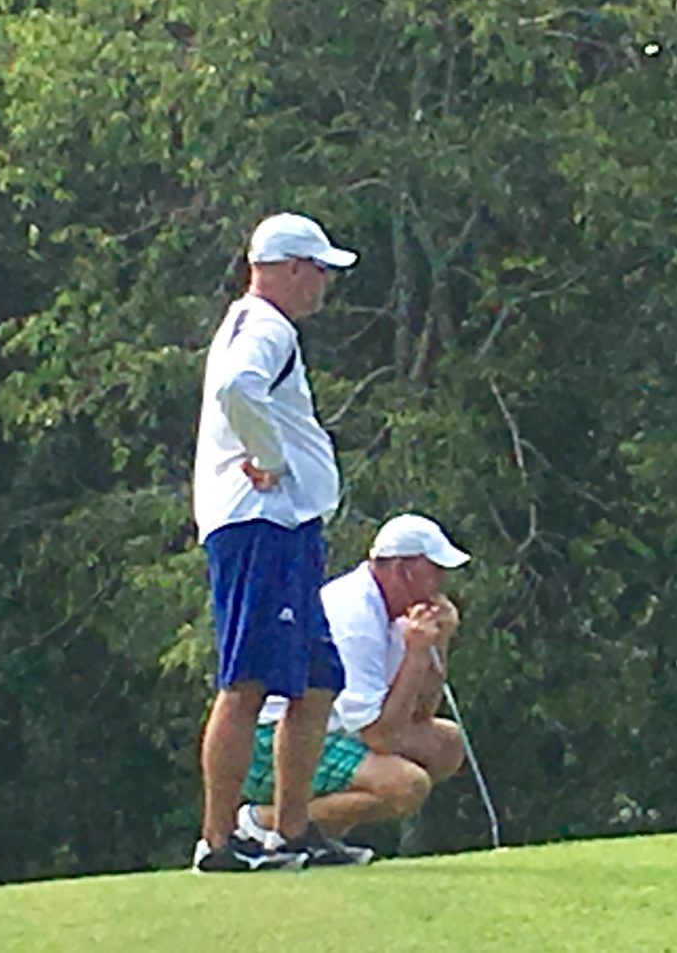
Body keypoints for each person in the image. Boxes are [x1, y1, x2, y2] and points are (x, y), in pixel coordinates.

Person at [191, 212, 361, 872]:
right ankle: (219, 840)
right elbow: (238, 387)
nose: (322, 284)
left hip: (285, 528)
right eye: (317, 270)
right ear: (290, 268)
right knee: (250, 680)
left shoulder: (258, 323)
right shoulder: (266, 325)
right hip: (261, 525)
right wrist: (271, 454)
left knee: (317, 678)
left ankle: (293, 830)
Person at [234, 513, 470, 851]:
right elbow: (381, 737)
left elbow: (420, 712)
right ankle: (266, 823)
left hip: (335, 728)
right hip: (275, 739)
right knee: (406, 786)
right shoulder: (356, 614)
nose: (441, 581)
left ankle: (319, 833)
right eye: (434, 570)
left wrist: (438, 643)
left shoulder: (398, 612)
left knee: (447, 744)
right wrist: (416, 653)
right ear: (403, 570)